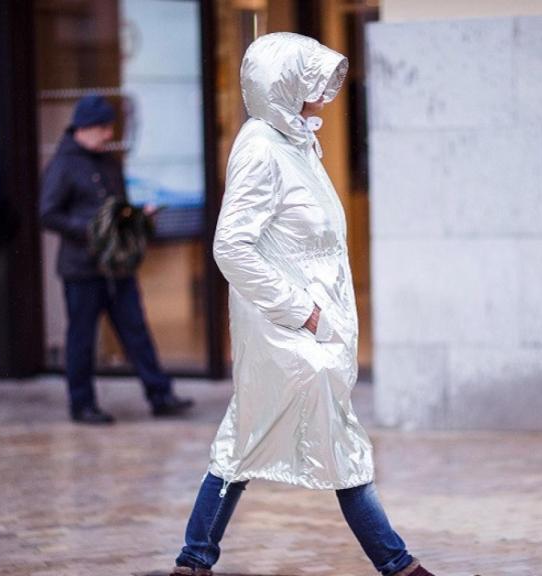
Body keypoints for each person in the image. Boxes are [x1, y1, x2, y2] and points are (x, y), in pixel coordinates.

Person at [168, 33, 434, 576]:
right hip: (286, 333)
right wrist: (303, 313)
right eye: (314, 81)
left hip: (306, 329)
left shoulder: (294, 143)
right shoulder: (262, 149)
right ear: (285, 84)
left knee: (244, 442)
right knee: (338, 446)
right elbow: (231, 247)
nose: (325, 92)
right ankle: (398, 564)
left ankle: (193, 561)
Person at [40, 95, 193, 425]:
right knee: (82, 338)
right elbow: (48, 213)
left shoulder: (108, 162)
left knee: (135, 330)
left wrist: (137, 218)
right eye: (104, 128)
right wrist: (92, 230)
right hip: (82, 268)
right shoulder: (63, 164)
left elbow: (118, 210)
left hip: (117, 265)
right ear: (85, 128)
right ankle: (81, 405)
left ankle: (160, 395)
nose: (109, 134)